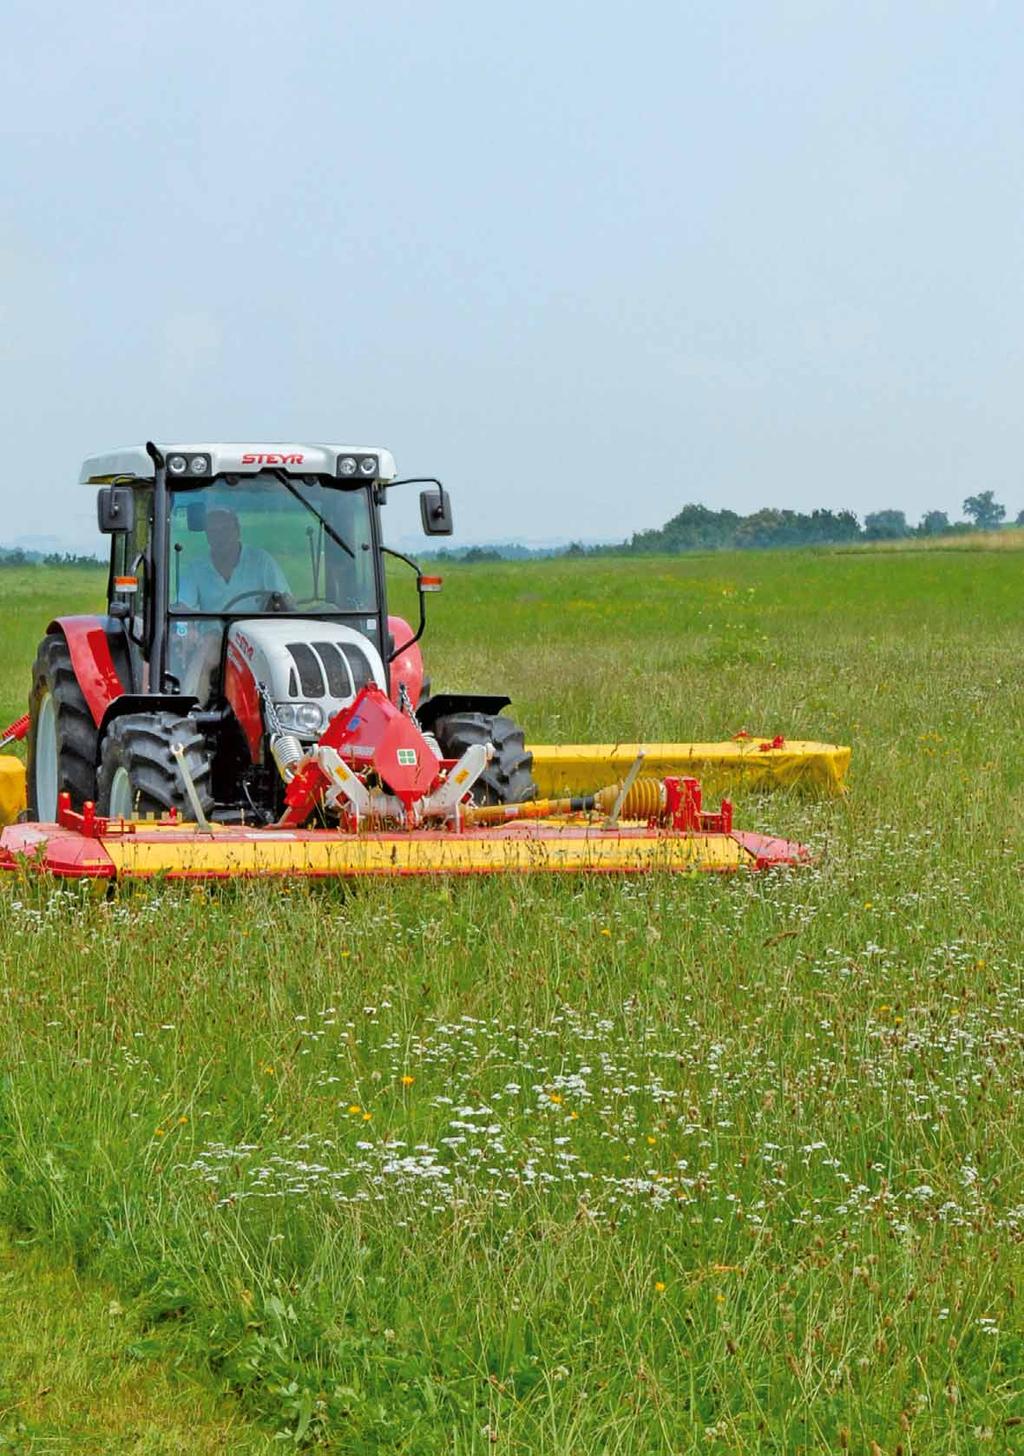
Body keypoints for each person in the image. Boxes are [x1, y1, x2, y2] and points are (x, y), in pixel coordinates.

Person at [177, 507, 292, 611]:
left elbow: (283, 600)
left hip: (251, 631)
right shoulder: (195, 568)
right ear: (207, 535)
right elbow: (183, 606)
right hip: (210, 634)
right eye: (214, 531)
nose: (220, 536)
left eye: (226, 529)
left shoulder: (261, 561)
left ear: (237, 531)